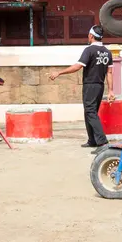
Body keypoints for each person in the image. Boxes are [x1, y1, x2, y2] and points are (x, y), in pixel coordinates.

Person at [50, 25, 115, 154]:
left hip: (90, 85)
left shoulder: (89, 50)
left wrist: (59, 72)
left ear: (91, 36)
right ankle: (92, 140)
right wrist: (111, 90)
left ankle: (102, 142)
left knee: (90, 112)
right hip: (100, 86)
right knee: (90, 112)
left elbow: (77, 66)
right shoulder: (107, 52)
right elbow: (109, 73)